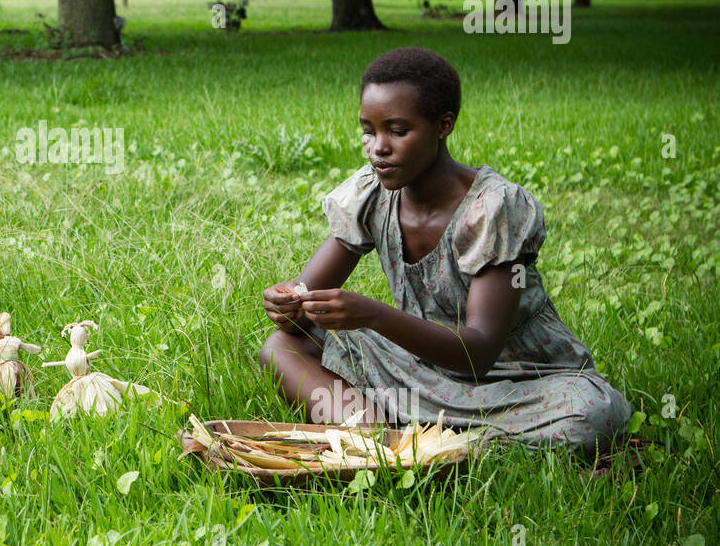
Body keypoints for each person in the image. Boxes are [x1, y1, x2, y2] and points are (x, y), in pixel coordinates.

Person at [258, 47, 631, 454]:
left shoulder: (491, 209)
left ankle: (425, 442)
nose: (378, 147)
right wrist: (287, 304)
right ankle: (386, 443)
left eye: (398, 131)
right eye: (369, 130)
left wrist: (373, 315)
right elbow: (298, 315)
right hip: (422, 370)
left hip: (518, 382)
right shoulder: (371, 196)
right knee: (281, 349)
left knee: (592, 414)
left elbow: (480, 352)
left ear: (443, 125)